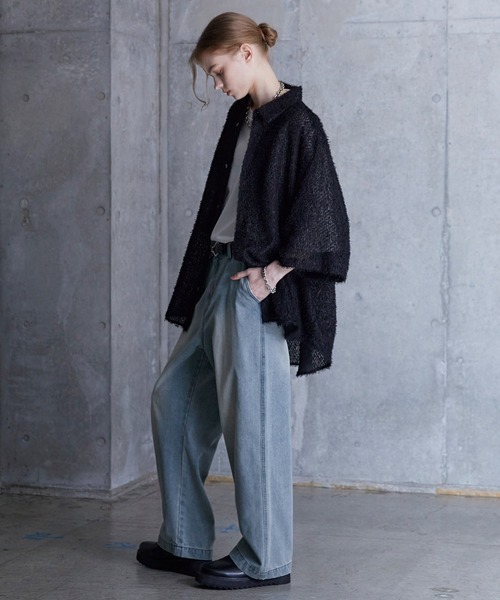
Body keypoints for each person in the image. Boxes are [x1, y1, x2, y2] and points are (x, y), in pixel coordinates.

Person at [136, 11, 350, 590]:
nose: (215, 83)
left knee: (254, 423)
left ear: (245, 53)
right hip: (217, 274)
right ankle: (184, 541)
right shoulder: (244, 116)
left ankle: (265, 558)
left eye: (217, 70)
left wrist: (272, 275)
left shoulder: (298, 124)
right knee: (174, 398)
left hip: (253, 288)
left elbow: (325, 218)